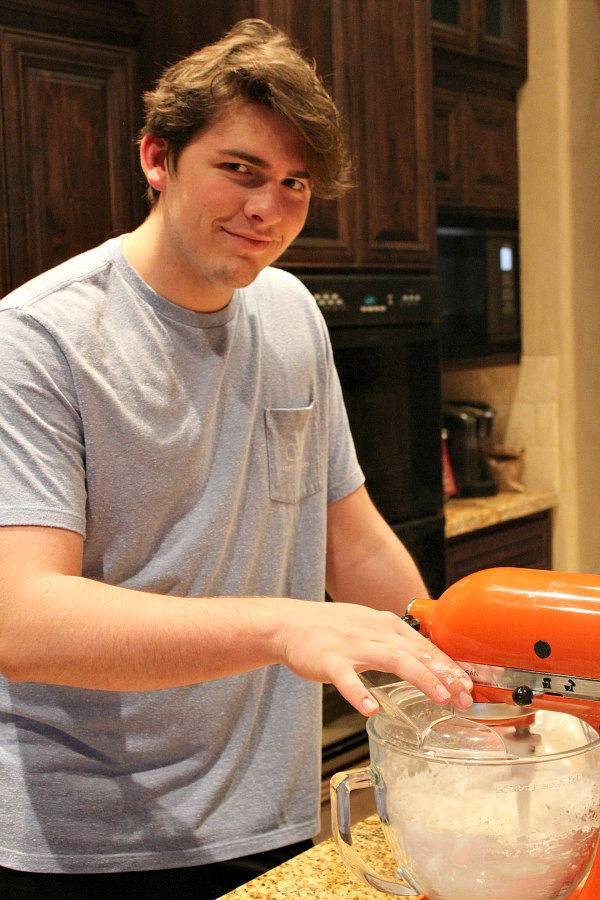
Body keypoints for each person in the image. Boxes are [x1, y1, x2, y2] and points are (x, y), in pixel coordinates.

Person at [0, 18, 473, 900]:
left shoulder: (291, 312)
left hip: (273, 810)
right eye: (240, 170)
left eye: (294, 184)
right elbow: (22, 623)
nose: (269, 209)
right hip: (90, 839)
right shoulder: (38, 341)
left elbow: (352, 535)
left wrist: (455, 676)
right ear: (157, 158)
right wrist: (284, 625)